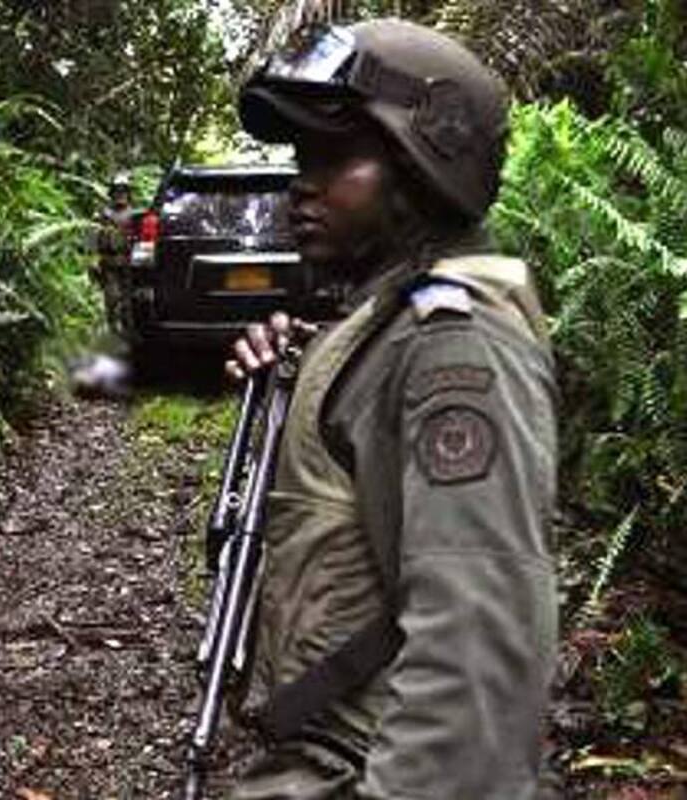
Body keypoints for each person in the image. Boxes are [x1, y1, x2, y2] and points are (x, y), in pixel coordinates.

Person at [225, 19, 558, 800]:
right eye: (301, 158)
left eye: (336, 158)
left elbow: (476, 665)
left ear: (421, 170)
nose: (301, 185)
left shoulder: (457, 347)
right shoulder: (387, 324)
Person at [93, 172, 136, 335]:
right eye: (118, 191)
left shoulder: (134, 214)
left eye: (123, 191)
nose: (121, 194)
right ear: (112, 193)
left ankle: (127, 329)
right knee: (111, 297)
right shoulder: (104, 214)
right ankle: (112, 326)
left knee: (128, 299)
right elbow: (92, 237)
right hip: (109, 261)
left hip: (128, 261)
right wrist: (92, 259)